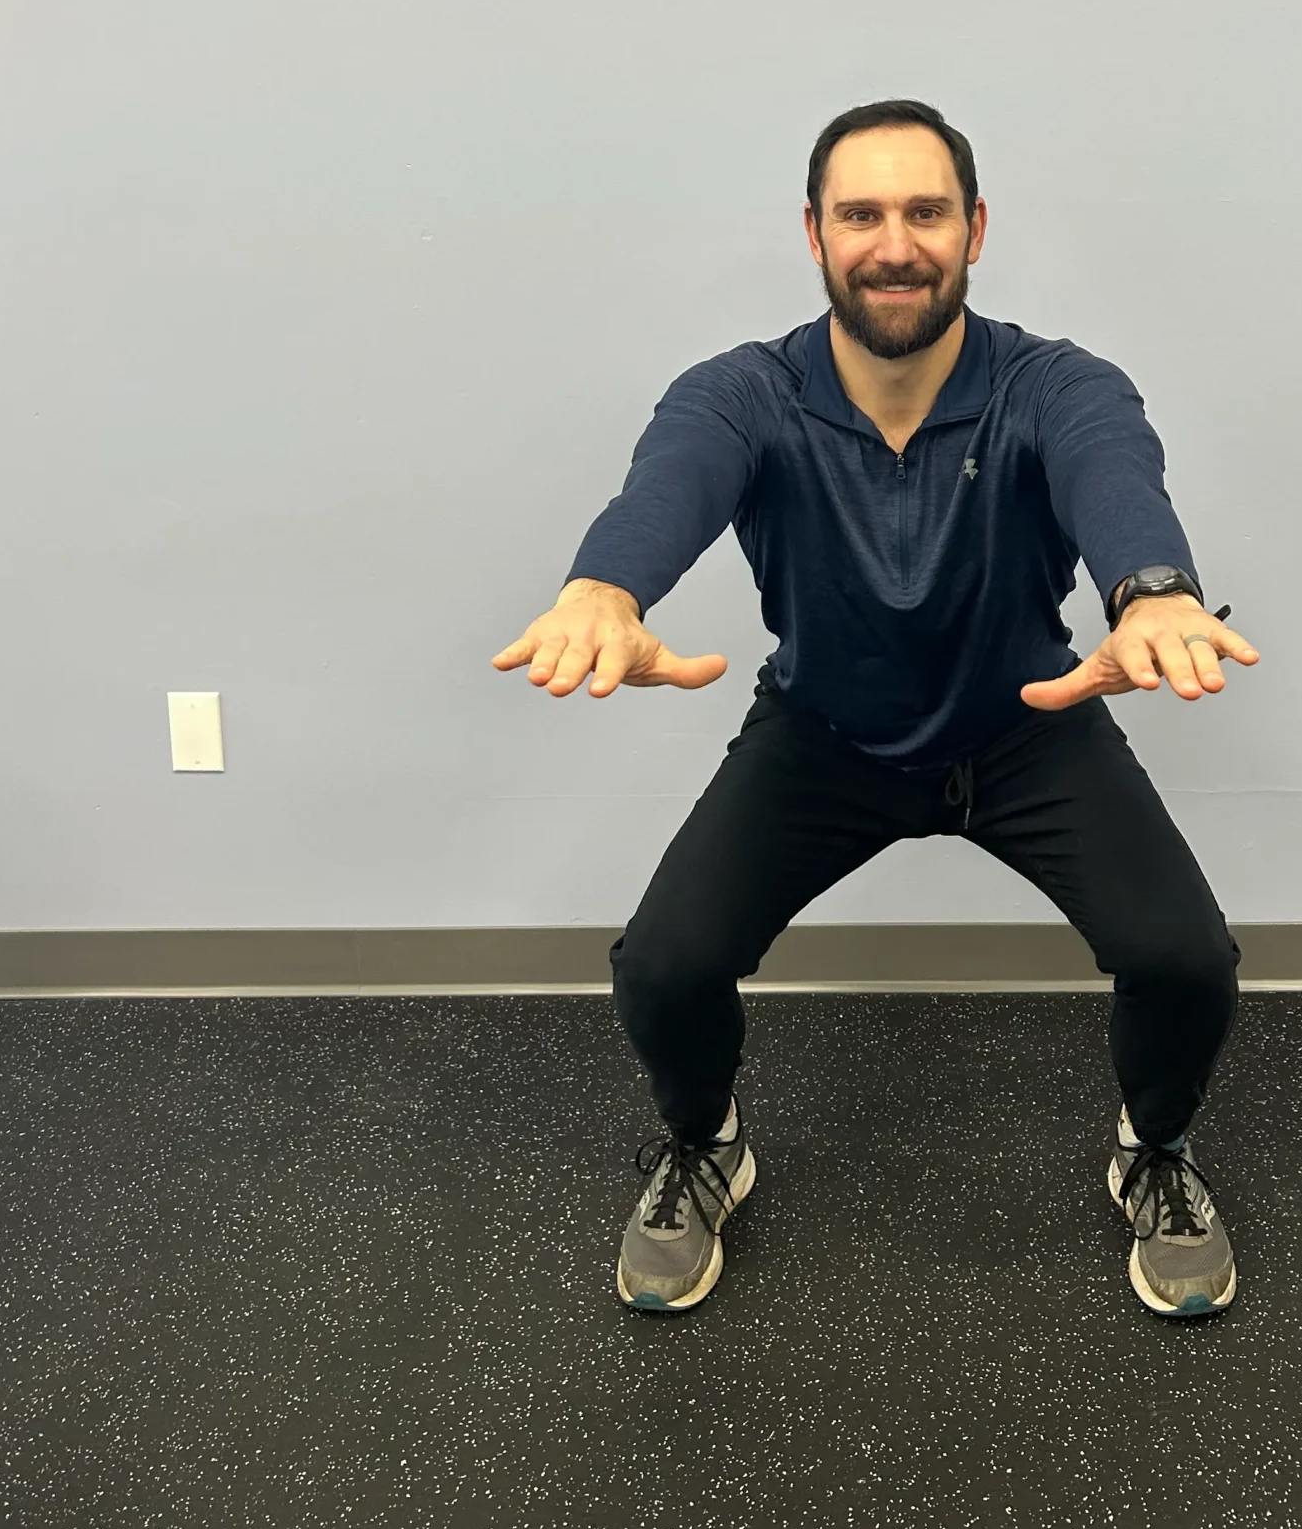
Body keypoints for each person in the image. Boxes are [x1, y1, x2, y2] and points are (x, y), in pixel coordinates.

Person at [492, 99, 1261, 1319]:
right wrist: (604, 589)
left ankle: (1154, 1150)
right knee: (664, 965)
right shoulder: (744, 393)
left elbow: (1114, 471)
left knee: (1187, 960)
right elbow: (667, 485)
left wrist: (1154, 589)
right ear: (814, 234)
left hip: (1025, 727)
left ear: (974, 230)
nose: (894, 245)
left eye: (924, 213)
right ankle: (705, 1144)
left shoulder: (1054, 385)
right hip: (825, 737)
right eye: (861, 214)